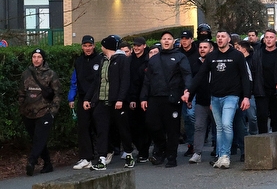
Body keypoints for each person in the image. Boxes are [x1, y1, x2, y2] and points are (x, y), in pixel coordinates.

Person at [185, 30, 252, 169]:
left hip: (232, 96)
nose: (220, 39)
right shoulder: (211, 57)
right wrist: (189, 92)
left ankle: (225, 156)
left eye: (223, 37)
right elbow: (200, 75)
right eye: (218, 36)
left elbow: (245, 78)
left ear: (229, 40)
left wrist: (246, 97)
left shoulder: (237, 55)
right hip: (215, 97)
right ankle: (221, 155)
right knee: (220, 127)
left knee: (227, 124)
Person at [141, 31, 193, 168]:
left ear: (173, 41)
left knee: (172, 130)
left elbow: (187, 75)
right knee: (152, 125)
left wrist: (187, 91)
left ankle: (171, 156)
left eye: (169, 39)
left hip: (172, 97)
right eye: (164, 39)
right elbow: (147, 80)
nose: (166, 41)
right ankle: (162, 148)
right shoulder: (153, 59)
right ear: (161, 41)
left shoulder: (180, 57)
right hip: (154, 98)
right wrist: (143, 98)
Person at [89, 35, 134, 170]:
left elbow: (125, 81)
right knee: (101, 130)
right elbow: (99, 81)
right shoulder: (103, 60)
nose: (100, 47)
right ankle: (102, 158)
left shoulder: (122, 60)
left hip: (117, 102)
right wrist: (90, 100)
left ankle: (129, 155)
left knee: (123, 129)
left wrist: (120, 99)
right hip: (102, 101)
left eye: (102, 45)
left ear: (105, 46)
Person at [19, 48, 60, 176]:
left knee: (39, 138)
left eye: (39, 57)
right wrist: (21, 106)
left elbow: (57, 94)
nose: (36, 59)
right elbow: (21, 92)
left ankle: (31, 161)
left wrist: (53, 111)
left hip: (44, 112)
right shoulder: (26, 73)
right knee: (37, 140)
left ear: (43, 59)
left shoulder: (51, 74)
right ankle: (48, 163)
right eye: (34, 57)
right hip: (28, 113)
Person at [70, 35, 100, 169]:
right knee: (83, 128)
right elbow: (75, 81)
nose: (87, 48)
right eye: (85, 46)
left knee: (99, 127)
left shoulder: (100, 59)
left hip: (97, 98)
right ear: (82, 46)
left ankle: (103, 154)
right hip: (83, 99)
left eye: (90, 45)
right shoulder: (79, 61)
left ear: (94, 46)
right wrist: (71, 97)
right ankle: (86, 158)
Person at [252, 29, 277, 134]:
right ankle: (263, 143)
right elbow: (253, 71)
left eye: (271, 37)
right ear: (263, 39)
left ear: (276, 39)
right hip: (261, 90)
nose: (269, 40)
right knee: (262, 116)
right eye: (266, 37)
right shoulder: (258, 53)